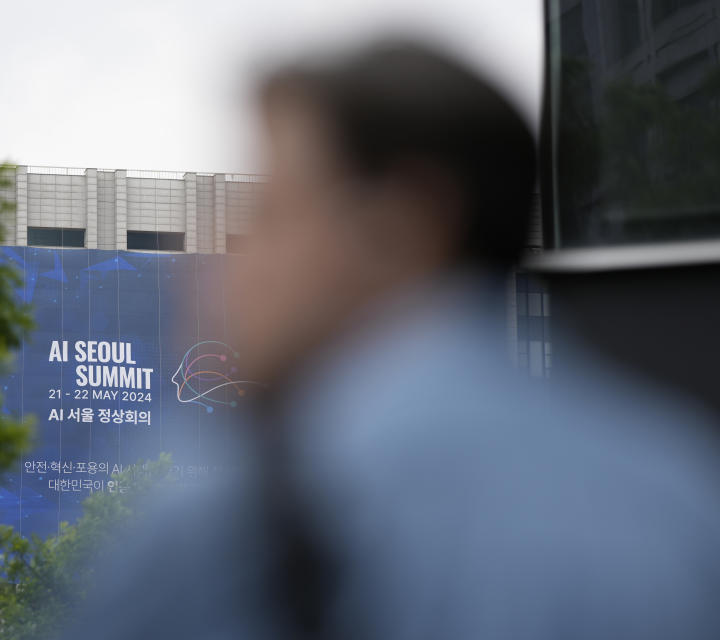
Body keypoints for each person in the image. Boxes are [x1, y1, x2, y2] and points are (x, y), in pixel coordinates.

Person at [73, 41, 720, 639]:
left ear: (402, 224)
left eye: (269, 214)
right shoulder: (684, 483)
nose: (216, 265)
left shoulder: (244, 507)